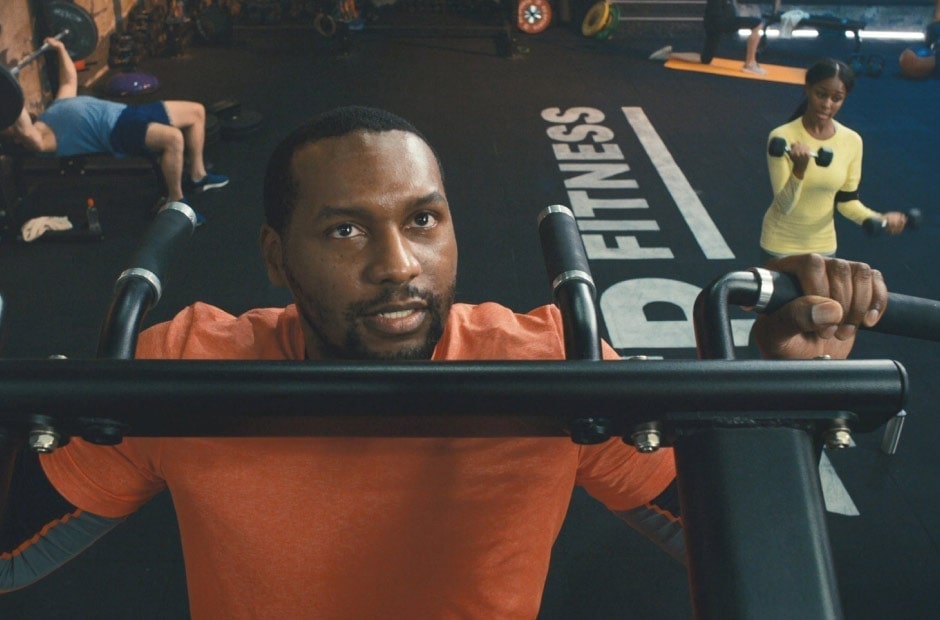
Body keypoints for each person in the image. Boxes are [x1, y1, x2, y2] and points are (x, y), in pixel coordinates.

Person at [0, 106, 890, 618]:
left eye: (422, 220)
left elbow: (734, 540)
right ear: (277, 258)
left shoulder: (551, 366)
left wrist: (766, 406)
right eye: (346, 229)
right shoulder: (185, 368)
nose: (397, 265)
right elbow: (17, 553)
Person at [1, 37, 228, 223]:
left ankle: (198, 175)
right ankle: (176, 202)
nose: (13, 127)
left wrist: (59, 49)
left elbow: (68, 81)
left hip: (129, 112)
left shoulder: (54, 108)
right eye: (11, 128)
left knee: (196, 112)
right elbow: (24, 128)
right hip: (117, 131)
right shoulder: (42, 139)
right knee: (173, 139)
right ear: (17, 136)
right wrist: (12, 88)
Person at [759, 58, 909, 263]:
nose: (827, 104)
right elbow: (784, 206)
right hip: (781, 245)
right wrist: (799, 170)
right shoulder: (782, 137)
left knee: (850, 284)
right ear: (808, 88)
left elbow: (847, 203)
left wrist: (879, 218)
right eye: (821, 94)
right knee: (811, 288)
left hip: (824, 247)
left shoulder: (852, 141)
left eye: (836, 98)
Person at [649, 0, 780, 75]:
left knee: (705, 59)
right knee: (757, 23)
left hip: (713, 21)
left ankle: (669, 55)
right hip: (721, 20)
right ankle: (750, 64)